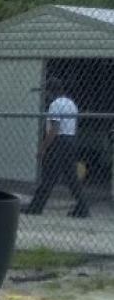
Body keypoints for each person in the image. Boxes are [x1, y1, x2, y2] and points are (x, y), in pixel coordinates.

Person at [23, 77, 91, 218]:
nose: (46, 95)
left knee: (49, 176)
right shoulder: (71, 103)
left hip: (59, 141)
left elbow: (54, 128)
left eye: (46, 91)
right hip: (71, 140)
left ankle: (36, 207)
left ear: (51, 91)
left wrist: (43, 148)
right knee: (71, 178)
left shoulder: (55, 104)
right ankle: (83, 207)